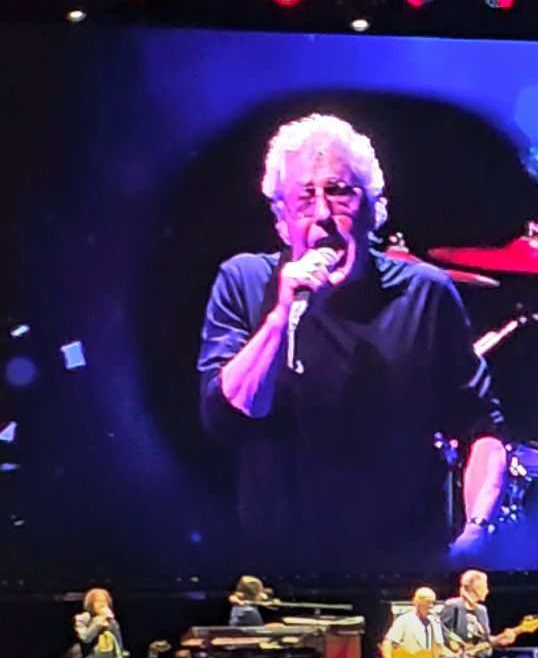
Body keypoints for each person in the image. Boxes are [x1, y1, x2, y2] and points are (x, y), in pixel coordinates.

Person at [196, 113, 508, 567]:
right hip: (280, 569)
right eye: (305, 198)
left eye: (339, 191)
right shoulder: (244, 282)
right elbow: (226, 417)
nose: (323, 214)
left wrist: (475, 532)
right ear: (282, 220)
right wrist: (281, 315)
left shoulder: (425, 293)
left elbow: (481, 429)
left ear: (373, 209)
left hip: (405, 563)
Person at [73, 588, 127, 658]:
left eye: (104, 601)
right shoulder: (82, 619)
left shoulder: (112, 622)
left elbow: (119, 644)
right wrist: (98, 622)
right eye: (98, 601)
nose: (102, 605)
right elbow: (86, 638)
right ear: (91, 604)